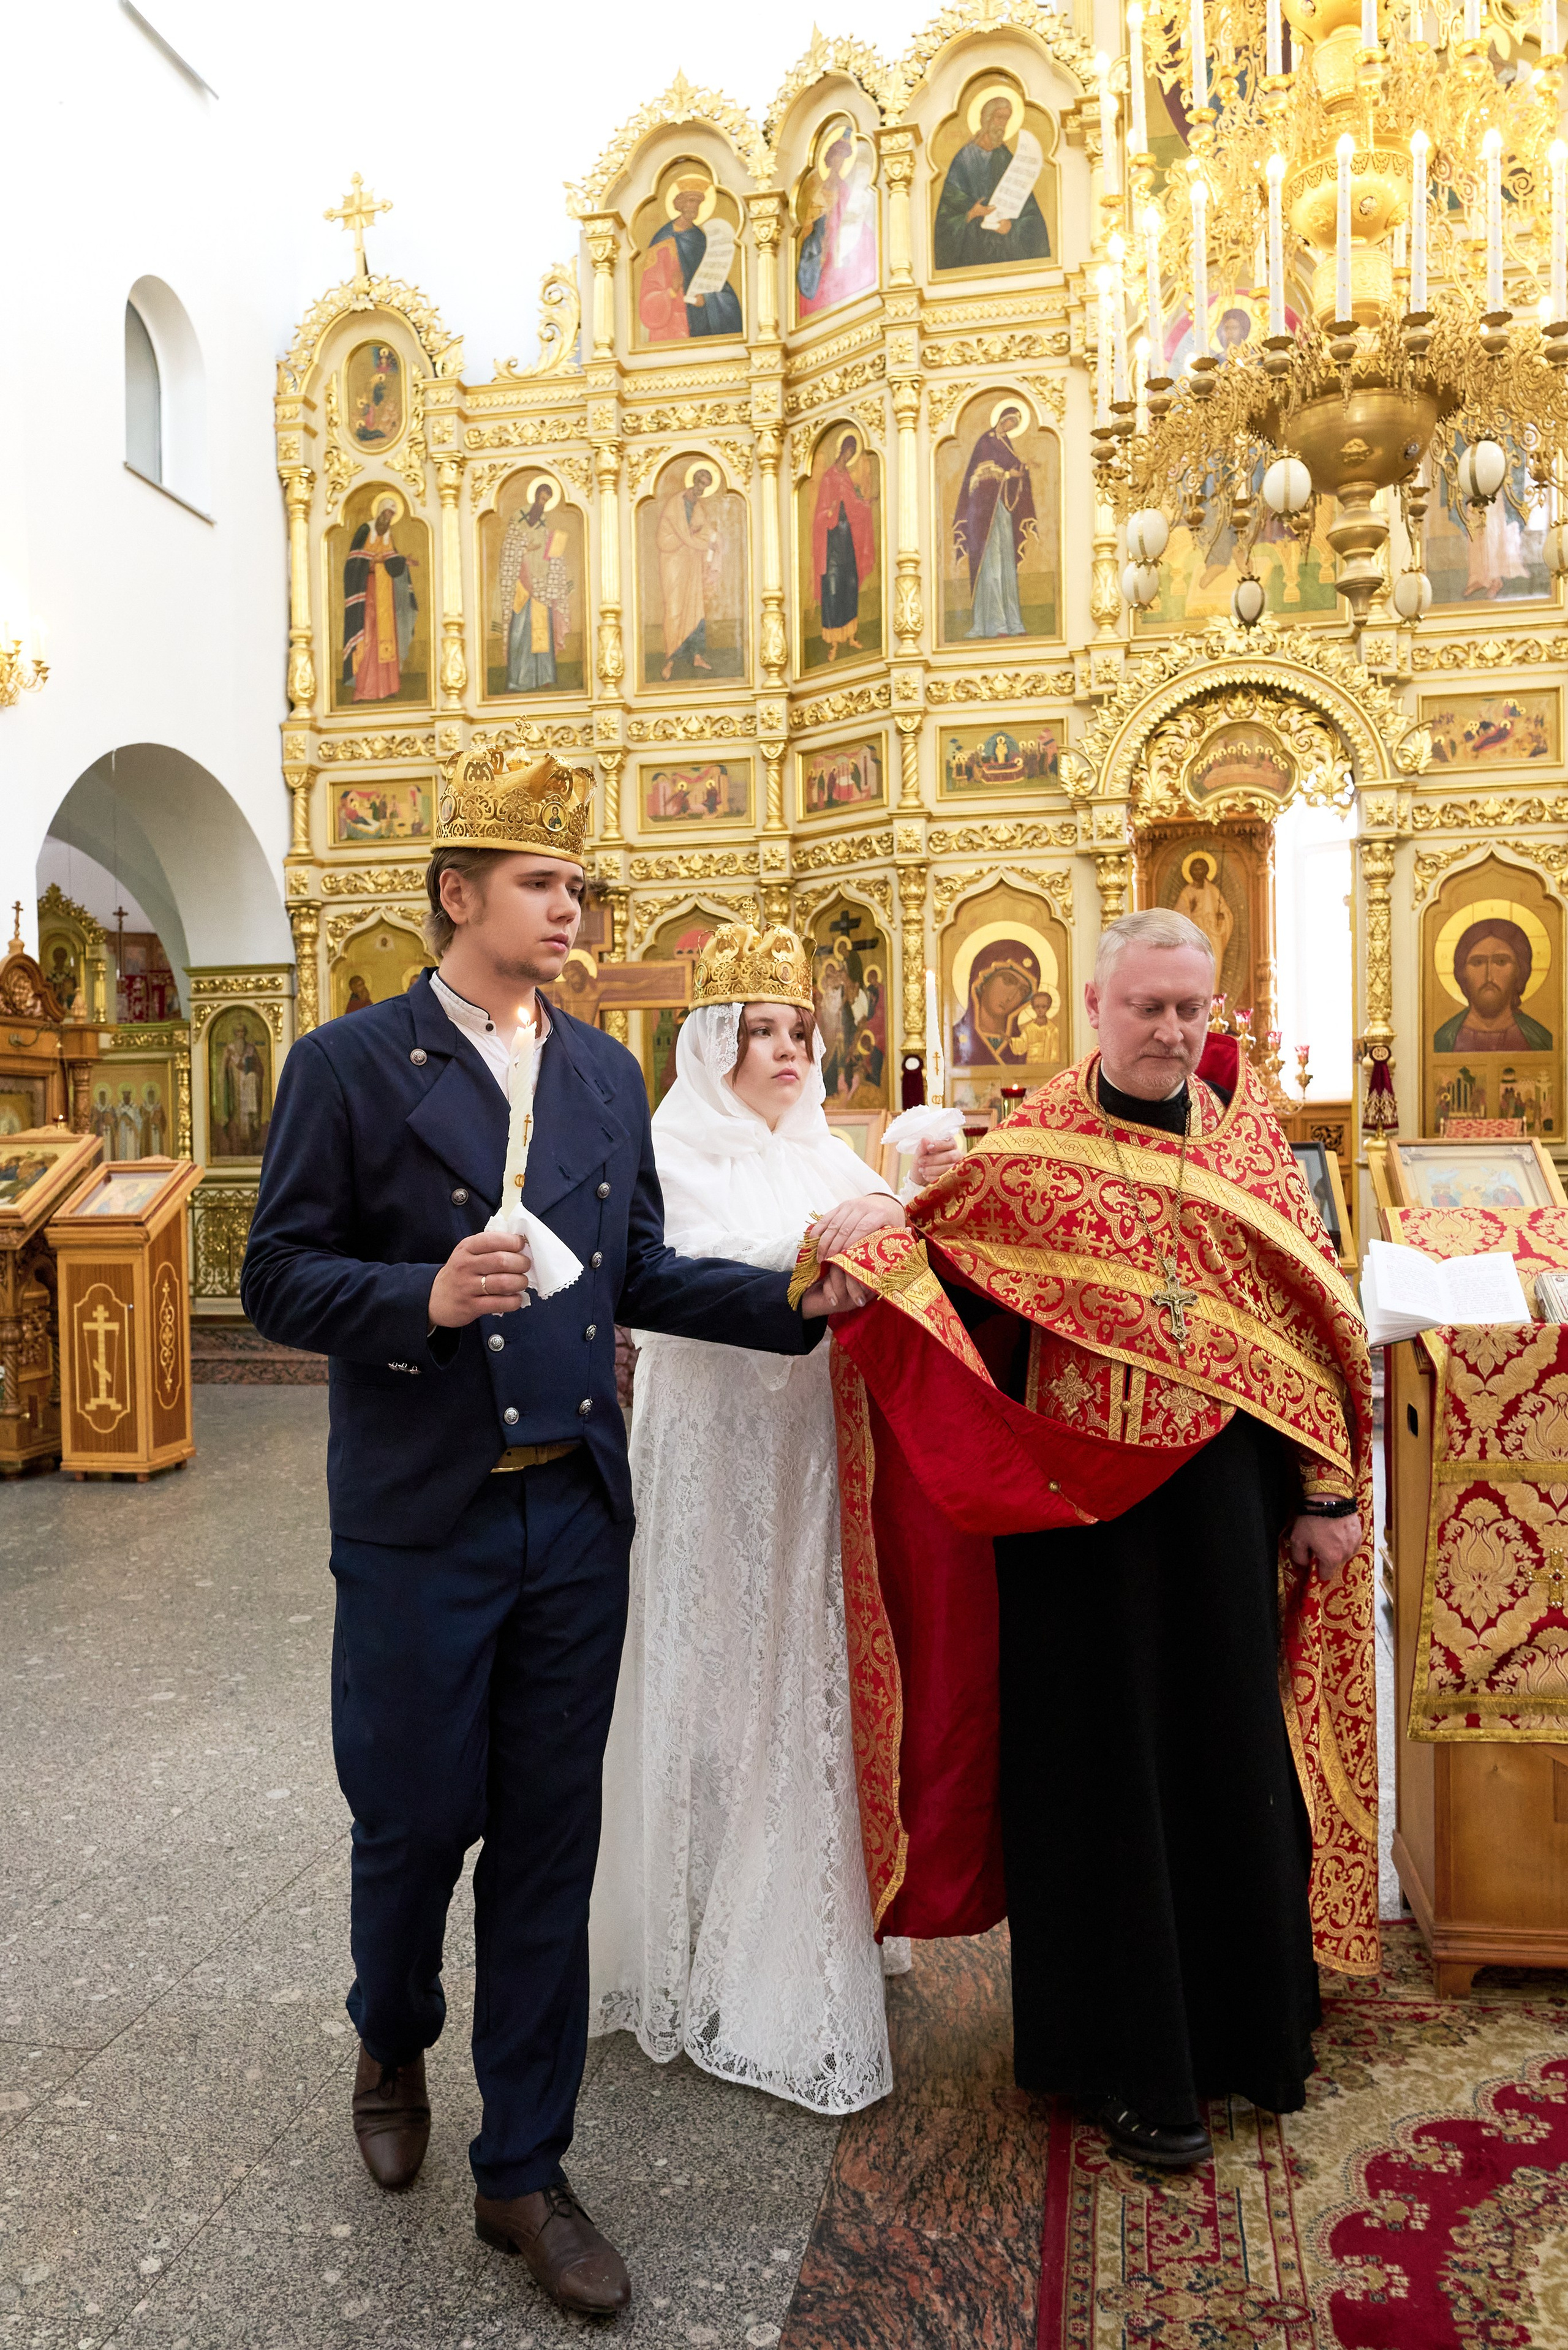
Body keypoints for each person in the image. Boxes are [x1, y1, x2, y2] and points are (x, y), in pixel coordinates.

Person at [241, 755, 848, 2321]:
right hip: (419, 1524)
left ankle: (523, 2167)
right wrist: (419, 1300)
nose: (570, 908)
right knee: (414, 1817)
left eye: (577, 887)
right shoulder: (349, 1065)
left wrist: (796, 1298)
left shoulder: (593, 1075)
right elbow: (276, 1274)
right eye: (541, 883)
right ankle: (390, 2029)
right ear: (459, 895)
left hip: (571, 1509)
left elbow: (635, 1267)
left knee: (545, 1837)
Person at [802, 908, 1377, 2172]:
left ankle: (1244, 2031)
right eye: (1147, 1007)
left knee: (1227, 1752)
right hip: (1073, 1518)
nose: (1172, 1031)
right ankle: (1119, 2057)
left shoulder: (1253, 1151)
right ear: (1096, 1007)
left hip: (1224, 1506)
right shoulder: (1030, 1153)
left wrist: (1326, 1493)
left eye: (1190, 1008)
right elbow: (935, 1267)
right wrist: (852, 1236)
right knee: (1093, 1774)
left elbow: (1316, 1324)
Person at [588, 925, 961, 2111]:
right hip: (708, 1446)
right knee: (706, 1664)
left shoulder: (826, 1156)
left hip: (812, 1448)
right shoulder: (658, 1151)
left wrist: (909, 1207)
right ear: (709, 1044)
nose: (790, 1051)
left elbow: (892, 1262)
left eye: (801, 1031)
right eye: (762, 1030)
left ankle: (801, 1923)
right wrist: (817, 1254)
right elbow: (655, 1277)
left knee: (806, 1670)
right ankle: (690, 1927)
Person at [932, 92, 1051, 272]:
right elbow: (948, 212)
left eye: (1006, 120)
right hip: (972, 254)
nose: (1002, 125)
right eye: (999, 118)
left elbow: (1029, 209)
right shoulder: (964, 159)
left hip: (1005, 255)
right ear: (987, 119)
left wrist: (1012, 227)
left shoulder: (1005, 157)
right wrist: (971, 213)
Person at [952, 405, 1038, 639]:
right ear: (1001, 418)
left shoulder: (1006, 444)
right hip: (984, 516)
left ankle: (1013, 624)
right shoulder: (986, 442)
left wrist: (1023, 469)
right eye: (1009, 420)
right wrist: (1010, 475)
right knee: (991, 567)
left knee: (1006, 567)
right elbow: (981, 475)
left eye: (1014, 423)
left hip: (1003, 511)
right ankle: (993, 625)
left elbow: (1010, 471)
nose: (1010, 425)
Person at [1434, 915, 1554, 1052]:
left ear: (1519, 971)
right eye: (1478, 962)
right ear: (1462, 972)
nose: (1489, 976)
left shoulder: (1540, 1040)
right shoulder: (1443, 1040)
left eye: (1501, 962)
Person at [342, 494, 418, 703]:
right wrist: (372, 561)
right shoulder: (365, 530)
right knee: (368, 637)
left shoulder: (388, 534)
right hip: (366, 593)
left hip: (385, 592)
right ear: (380, 512)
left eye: (392, 515)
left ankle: (388, 687)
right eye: (387, 513)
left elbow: (391, 558)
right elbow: (354, 560)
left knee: (387, 638)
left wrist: (404, 561)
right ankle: (365, 690)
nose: (389, 518)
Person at [812, 434, 875, 660]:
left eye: (852, 453)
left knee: (849, 585)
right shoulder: (829, 478)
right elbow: (820, 514)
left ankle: (850, 636)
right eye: (847, 451)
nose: (848, 456)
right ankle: (834, 643)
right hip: (831, 544)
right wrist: (828, 513)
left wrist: (866, 503)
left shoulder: (846, 477)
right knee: (832, 589)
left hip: (847, 540)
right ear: (842, 451)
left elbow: (854, 505)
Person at [655, 468, 721, 681]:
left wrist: (711, 541)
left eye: (706, 485)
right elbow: (670, 538)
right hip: (674, 562)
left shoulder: (698, 507)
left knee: (695, 609)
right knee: (674, 609)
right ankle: (670, 660)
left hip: (691, 562)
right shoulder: (675, 504)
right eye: (701, 483)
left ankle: (697, 656)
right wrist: (694, 539)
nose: (702, 489)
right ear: (693, 482)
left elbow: (703, 532)